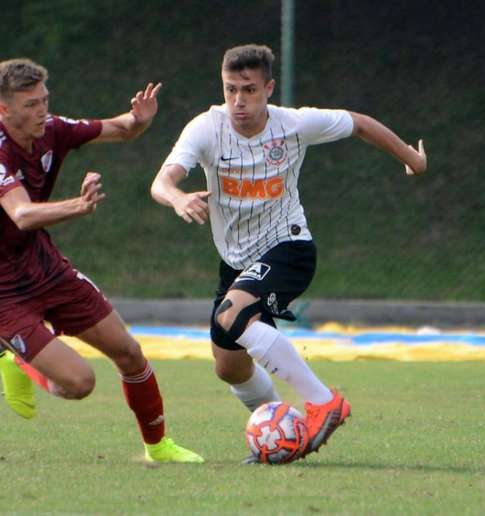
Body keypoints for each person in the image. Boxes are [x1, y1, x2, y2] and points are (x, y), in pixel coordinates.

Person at [151, 44, 427, 462]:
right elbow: (162, 181)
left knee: (233, 314)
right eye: (230, 90)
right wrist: (176, 198)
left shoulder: (293, 125)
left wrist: (411, 158)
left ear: (269, 88)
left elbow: (360, 124)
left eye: (249, 90)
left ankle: (322, 403)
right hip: (236, 263)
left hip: (289, 247)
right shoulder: (207, 128)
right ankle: (284, 433)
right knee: (229, 367)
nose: (239, 101)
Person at [0, 58, 202, 463]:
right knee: (79, 383)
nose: (42, 111)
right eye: (30, 104)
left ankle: (158, 447)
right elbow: (21, 214)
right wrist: (79, 206)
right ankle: (18, 360)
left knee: (129, 352)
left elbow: (121, 128)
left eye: (44, 100)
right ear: (4, 110)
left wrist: (140, 119)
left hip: (43, 267)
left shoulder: (52, 129)